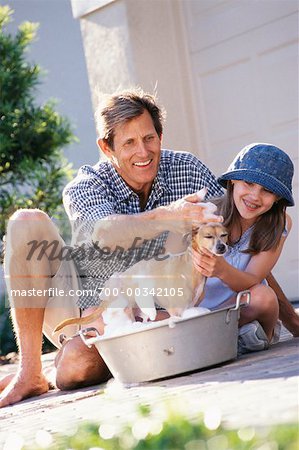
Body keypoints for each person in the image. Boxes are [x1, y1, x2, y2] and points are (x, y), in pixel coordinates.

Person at [0, 91, 298, 407]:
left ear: (160, 136)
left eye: (149, 138)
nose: (143, 151)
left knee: (77, 367)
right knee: (26, 221)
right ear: (106, 147)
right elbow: (105, 233)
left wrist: (291, 319)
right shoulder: (86, 186)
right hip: (81, 301)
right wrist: (167, 217)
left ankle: (77, 358)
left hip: (145, 316)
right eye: (128, 143)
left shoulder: (188, 170)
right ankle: (30, 371)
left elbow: (241, 239)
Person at [191, 143, 297, 353]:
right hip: (203, 311)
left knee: (264, 297)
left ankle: (237, 339)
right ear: (232, 182)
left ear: (278, 199)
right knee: (149, 315)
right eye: (248, 183)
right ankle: (226, 340)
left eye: (267, 190)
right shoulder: (208, 214)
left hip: (242, 308)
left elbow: (252, 279)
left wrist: (221, 269)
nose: (255, 196)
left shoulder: (278, 223)